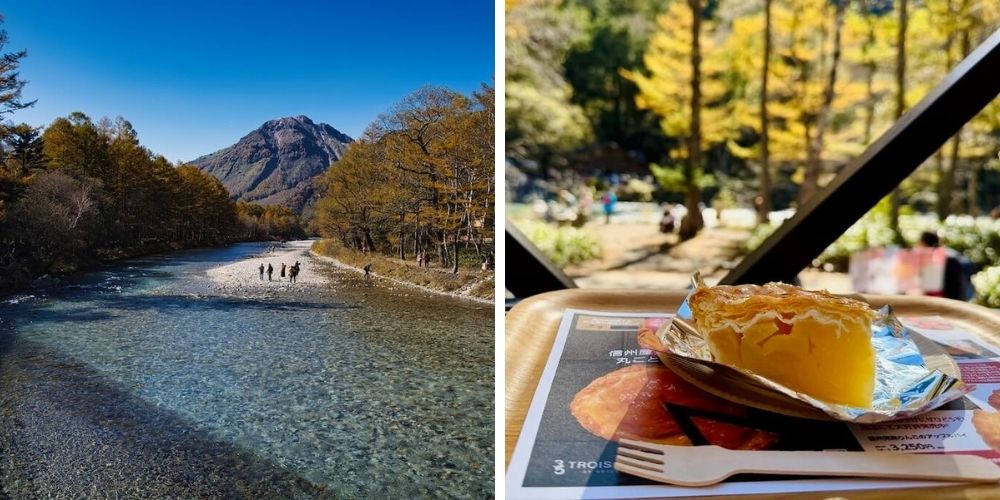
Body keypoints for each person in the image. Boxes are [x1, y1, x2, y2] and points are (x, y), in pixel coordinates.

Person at [917, 231, 975, 301]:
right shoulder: (947, 253)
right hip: (961, 295)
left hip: (949, 299)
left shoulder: (935, 258)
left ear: (923, 243)